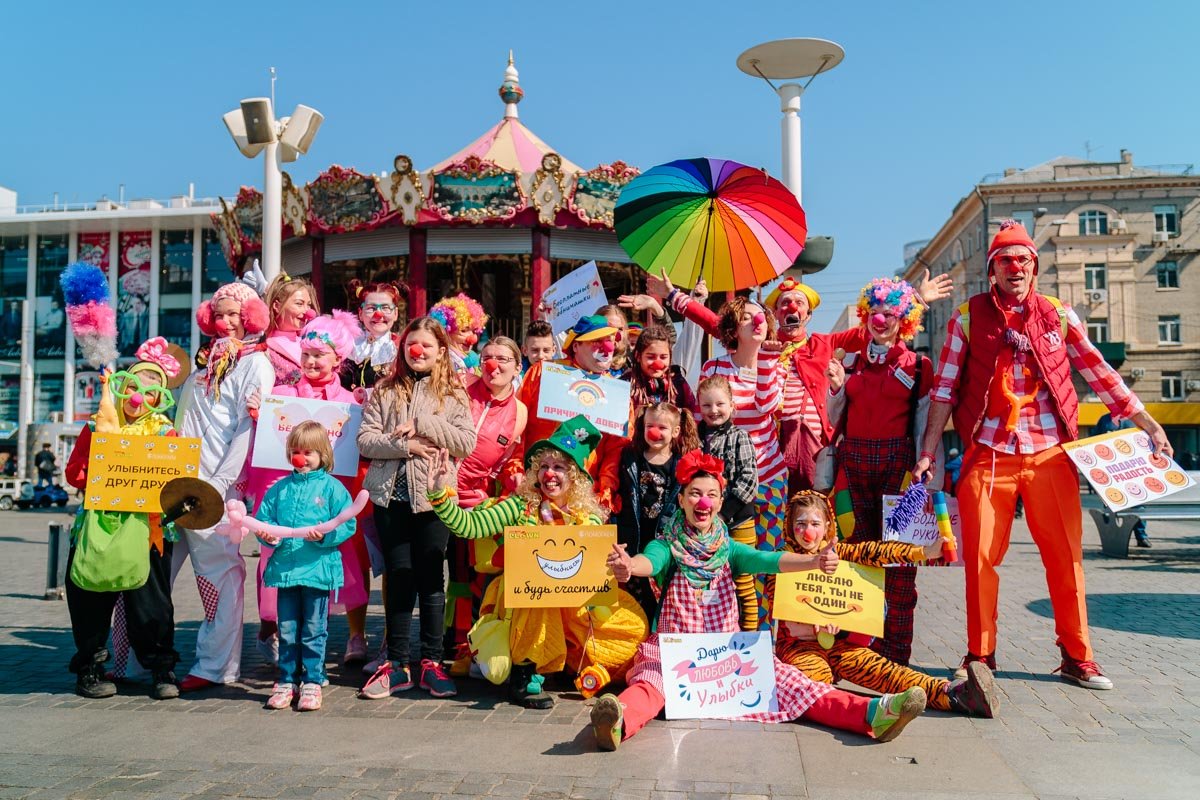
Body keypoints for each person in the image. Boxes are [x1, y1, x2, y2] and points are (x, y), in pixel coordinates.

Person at [912, 220, 1173, 691]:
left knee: (1066, 557)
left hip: (1051, 454)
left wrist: (1149, 423)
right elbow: (945, 391)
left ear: (1035, 267)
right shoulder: (967, 318)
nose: (1015, 268)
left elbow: (1099, 371)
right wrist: (928, 453)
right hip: (989, 453)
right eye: (1005, 260)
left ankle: (1077, 656)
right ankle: (980, 656)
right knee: (979, 560)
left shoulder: (1058, 314)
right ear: (992, 270)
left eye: (1023, 259)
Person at [589, 451, 927, 751]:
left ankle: (872, 714)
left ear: (720, 503)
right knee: (650, 683)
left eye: (711, 495)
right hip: (677, 652)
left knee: (793, 684)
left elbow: (771, 560)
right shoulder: (667, 544)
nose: (703, 502)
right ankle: (618, 721)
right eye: (695, 494)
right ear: (682, 501)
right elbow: (650, 561)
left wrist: (814, 562)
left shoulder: (729, 549)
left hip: (726, 654)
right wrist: (628, 566)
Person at [648, 270, 953, 494]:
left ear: (808, 313)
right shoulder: (760, 341)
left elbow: (876, 328)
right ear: (775, 314)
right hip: (771, 443)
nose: (791, 307)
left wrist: (915, 300)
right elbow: (719, 324)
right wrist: (676, 296)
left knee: (812, 509)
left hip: (813, 444)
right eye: (783, 303)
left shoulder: (824, 343)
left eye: (798, 302)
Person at [424, 416, 649, 709]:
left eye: (559, 467)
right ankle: (525, 672)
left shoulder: (589, 518)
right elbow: (470, 526)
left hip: (574, 607)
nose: (549, 474)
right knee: (538, 591)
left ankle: (566, 662)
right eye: (543, 466)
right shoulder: (521, 506)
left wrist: (619, 567)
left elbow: (601, 573)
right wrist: (439, 495)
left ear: (576, 477)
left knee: (632, 630)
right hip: (525, 603)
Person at [775, 490, 998, 719]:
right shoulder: (783, 559)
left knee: (887, 672)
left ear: (828, 525)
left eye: (815, 523)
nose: (808, 532)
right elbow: (786, 617)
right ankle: (871, 712)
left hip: (841, 646)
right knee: (815, 679)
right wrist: (814, 627)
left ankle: (957, 694)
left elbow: (879, 551)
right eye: (800, 524)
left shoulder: (839, 553)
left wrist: (925, 551)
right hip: (799, 647)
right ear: (790, 525)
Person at [357, 316, 476, 700]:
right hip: (391, 498)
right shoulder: (384, 390)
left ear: (442, 351)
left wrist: (423, 423)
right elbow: (366, 440)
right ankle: (396, 663)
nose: (418, 351)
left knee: (430, 578)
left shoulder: (455, 395)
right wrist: (405, 446)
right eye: (412, 344)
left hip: (435, 498)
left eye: (427, 345)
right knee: (399, 575)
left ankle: (431, 662)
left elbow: (465, 443)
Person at [63, 338, 185, 700]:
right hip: (98, 526)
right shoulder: (98, 426)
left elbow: (174, 482)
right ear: (121, 387)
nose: (137, 400)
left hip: (148, 531)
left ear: (160, 398)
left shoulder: (166, 434)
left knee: (151, 605)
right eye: (132, 388)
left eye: (150, 393)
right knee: (89, 599)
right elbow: (74, 473)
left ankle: (162, 669)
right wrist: (97, 467)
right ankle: (89, 669)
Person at [825, 277, 940, 666]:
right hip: (853, 466)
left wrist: (925, 460)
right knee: (854, 555)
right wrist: (837, 389)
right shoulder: (852, 362)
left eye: (889, 314)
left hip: (898, 469)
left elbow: (925, 421)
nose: (879, 319)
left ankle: (895, 655)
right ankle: (853, 650)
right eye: (874, 312)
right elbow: (834, 418)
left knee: (899, 561)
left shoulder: (919, 365)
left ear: (903, 320)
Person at [246, 311, 370, 667]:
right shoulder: (281, 394)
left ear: (338, 358)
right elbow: (267, 448)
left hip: (329, 496)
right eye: (307, 354)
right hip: (287, 495)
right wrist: (260, 414)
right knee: (279, 560)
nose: (312, 361)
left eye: (320, 354)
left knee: (339, 561)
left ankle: (343, 637)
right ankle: (275, 633)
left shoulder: (349, 401)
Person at [172, 281, 273, 693]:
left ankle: (216, 666)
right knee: (153, 575)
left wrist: (221, 482)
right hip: (179, 482)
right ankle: (139, 659)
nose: (227, 321)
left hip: (218, 487)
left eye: (235, 313)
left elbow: (249, 428)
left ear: (250, 316)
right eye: (220, 314)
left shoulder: (255, 364)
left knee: (218, 575)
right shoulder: (202, 365)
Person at [698, 296, 784, 631]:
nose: (756, 322)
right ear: (735, 326)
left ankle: (765, 639)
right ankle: (732, 632)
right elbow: (702, 417)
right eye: (747, 317)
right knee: (733, 566)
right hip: (727, 484)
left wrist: (765, 360)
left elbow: (766, 405)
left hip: (769, 477)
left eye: (760, 316)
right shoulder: (714, 368)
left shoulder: (773, 363)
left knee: (767, 561)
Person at [258, 421, 357, 712]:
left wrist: (326, 536)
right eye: (296, 451)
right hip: (286, 571)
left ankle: (313, 679)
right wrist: (268, 534)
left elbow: (346, 522)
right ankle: (287, 679)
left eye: (309, 452)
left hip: (317, 569)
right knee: (287, 629)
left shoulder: (332, 488)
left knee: (314, 629)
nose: (301, 458)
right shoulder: (280, 489)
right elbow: (266, 520)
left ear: (323, 454)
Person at [445, 336, 528, 672]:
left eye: (503, 358)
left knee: (467, 572)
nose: (494, 364)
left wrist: (514, 476)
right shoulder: (459, 390)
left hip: (477, 501)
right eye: (488, 356)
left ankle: (465, 644)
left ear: (516, 367)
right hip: (437, 489)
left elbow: (513, 457)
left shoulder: (519, 411)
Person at [517, 315, 628, 517]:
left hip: (583, 495)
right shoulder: (543, 373)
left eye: (610, 341)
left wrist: (606, 486)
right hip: (537, 486)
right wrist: (515, 468)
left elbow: (617, 446)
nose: (607, 348)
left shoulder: (616, 391)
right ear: (576, 346)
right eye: (597, 341)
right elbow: (516, 423)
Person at [615, 402, 700, 618]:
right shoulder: (630, 458)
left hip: (664, 538)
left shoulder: (681, 463)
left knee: (661, 595)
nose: (655, 432)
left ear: (675, 431)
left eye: (662, 428)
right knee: (637, 596)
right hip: (634, 535)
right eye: (649, 426)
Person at [695, 375, 759, 630]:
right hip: (704, 522)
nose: (714, 411)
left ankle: (751, 635)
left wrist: (724, 513)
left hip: (737, 519)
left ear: (732, 405)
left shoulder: (739, 437)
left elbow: (748, 481)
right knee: (708, 578)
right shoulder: (695, 439)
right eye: (707, 405)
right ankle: (712, 632)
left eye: (720, 404)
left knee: (743, 579)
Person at [1092, 413, 1150, 547]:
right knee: (1110, 504)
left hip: (1133, 469)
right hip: (1110, 471)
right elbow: (1094, 441)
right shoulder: (1104, 420)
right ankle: (1111, 537)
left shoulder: (1135, 418)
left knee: (1138, 503)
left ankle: (1141, 536)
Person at [254, 274, 320, 387]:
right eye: (299, 304)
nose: (307, 311)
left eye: (309, 305)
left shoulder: (313, 343)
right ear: (277, 306)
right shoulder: (263, 349)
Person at [340, 279, 403, 395]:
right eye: (371, 308)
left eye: (385, 308)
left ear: (396, 314)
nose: (378, 314)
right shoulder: (348, 345)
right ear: (360, 314)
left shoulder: (401, 348)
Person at [627, 325, 698, 423]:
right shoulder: (626, 383)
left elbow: (693, 415)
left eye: (663, 357)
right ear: (638, 356)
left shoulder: (678, 383)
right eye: (651, 357)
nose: (658, 364)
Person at [430, 293, 488, 374]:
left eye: (475, 331)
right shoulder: (439, 360)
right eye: (463, 330)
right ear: (445, 331)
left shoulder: (473, 358)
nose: (472, 338)